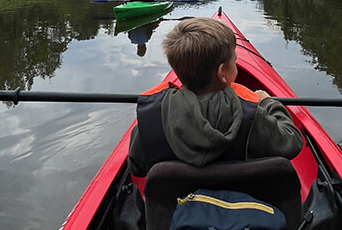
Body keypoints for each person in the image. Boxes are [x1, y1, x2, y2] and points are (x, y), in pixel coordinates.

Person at [127, 17, 304, 178]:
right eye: (234, 60)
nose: (236, 63)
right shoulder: (252, 116)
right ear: (223, 73)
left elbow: (137, 168)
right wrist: (267, 102)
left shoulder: (153, 118)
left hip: (176, 209)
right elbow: (292, 141)